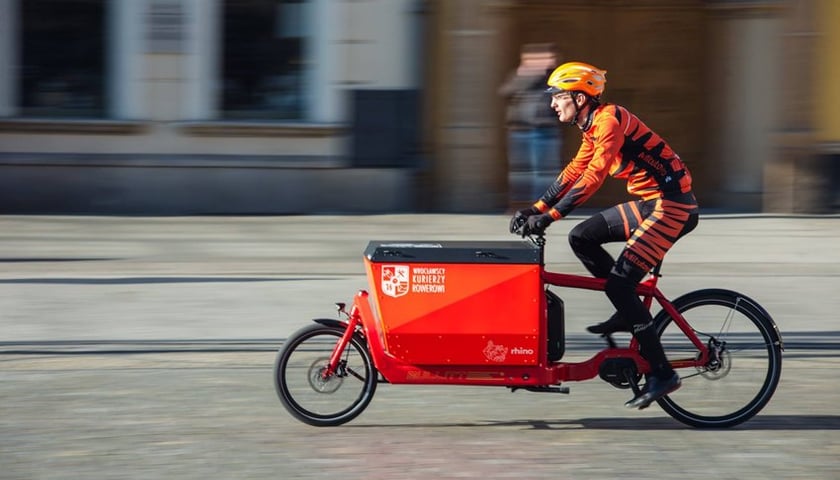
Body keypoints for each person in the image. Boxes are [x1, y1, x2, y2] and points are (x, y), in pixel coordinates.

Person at [508, 61, 699, 410]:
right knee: (582, 237)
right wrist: (534, 208)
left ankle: (662, 372)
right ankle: (628, 313)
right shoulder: (592, 126)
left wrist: (551, 216)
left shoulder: (609, 122)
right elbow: (574, 171)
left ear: (580, 98)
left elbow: (593, 177)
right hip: (650, 204)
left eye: (558, 96)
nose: (552, 103)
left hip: (672, 207)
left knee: (619, 285)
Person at [499, 43, 563, 203]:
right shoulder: (519, 75)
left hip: (546, 129)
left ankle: (544, 205)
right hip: (520, 129)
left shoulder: (555, 78)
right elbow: (505, 92)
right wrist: (528, 75)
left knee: (546, 171)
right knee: (520, 171)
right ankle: (519, 204)